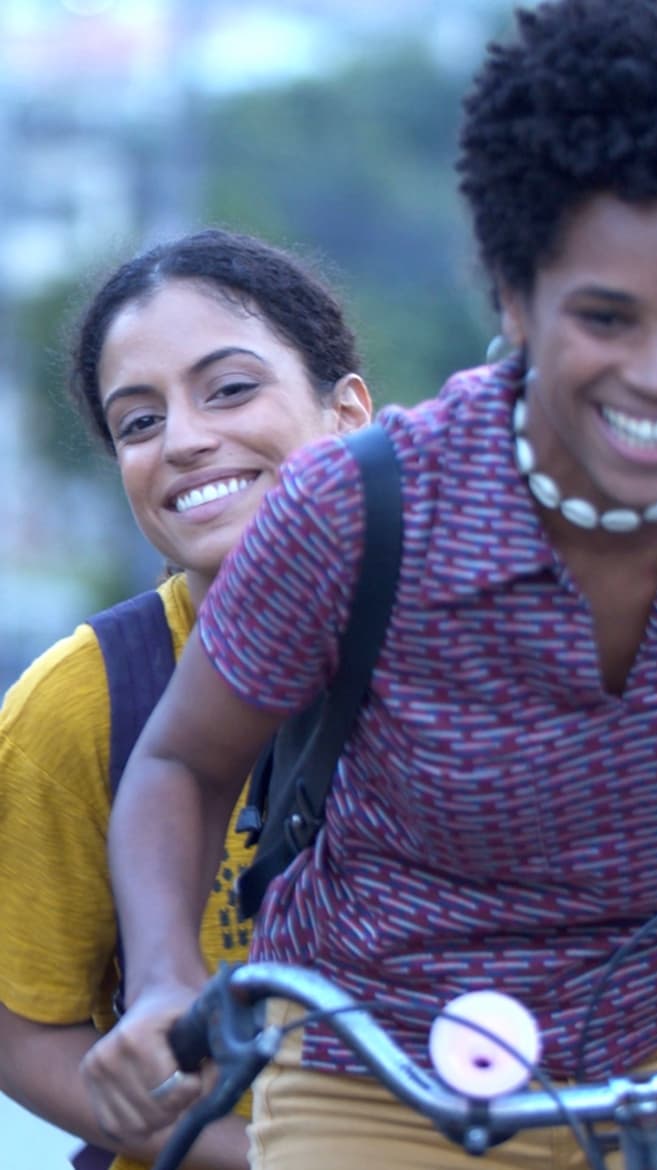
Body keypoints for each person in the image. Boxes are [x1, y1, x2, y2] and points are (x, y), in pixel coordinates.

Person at [81, 1, 657, 1167]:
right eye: (606, 318)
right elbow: (183, 765)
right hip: (385, 1061)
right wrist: (164, 978)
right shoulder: (362, 509)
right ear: (513, 297)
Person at [0, 227, 371, 1170]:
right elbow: (22, 1032)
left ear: (348, 412)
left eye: (231, 389)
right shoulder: (80, 705)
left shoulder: (483, 634)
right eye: (138, 423)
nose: (186, 439)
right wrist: (256, 1155)